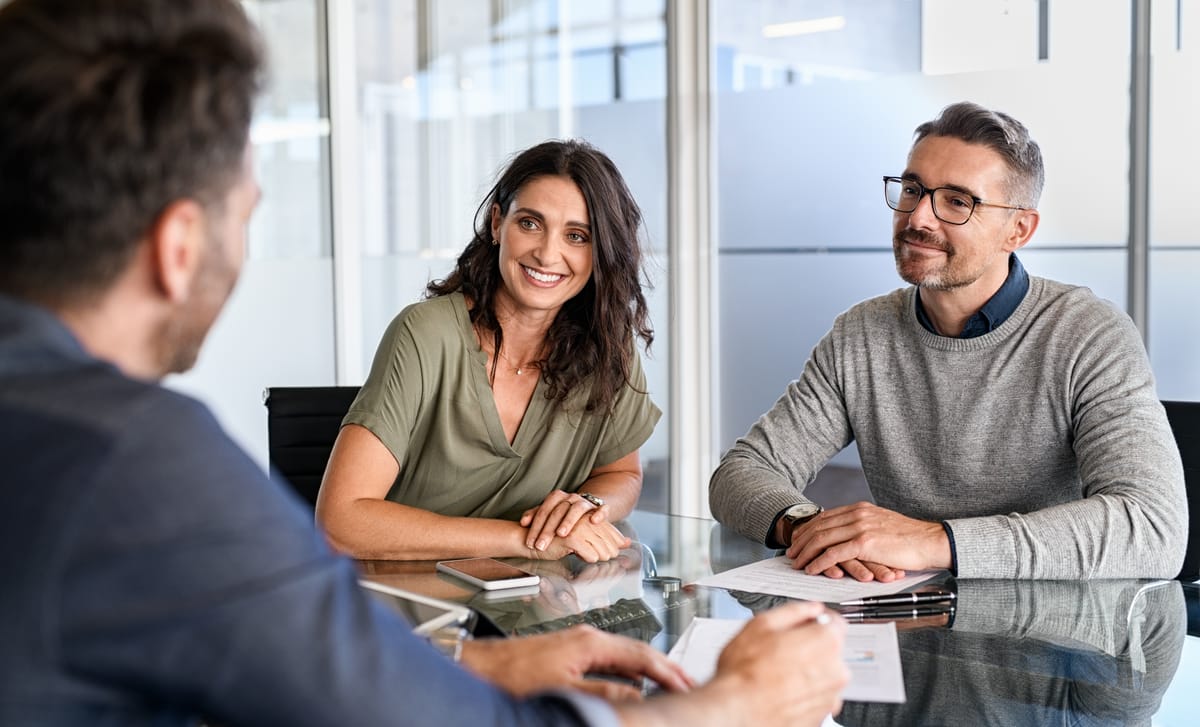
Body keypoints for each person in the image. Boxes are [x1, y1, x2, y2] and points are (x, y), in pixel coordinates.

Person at [0, 1, 850, 725]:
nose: (549, 250)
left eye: (578, 235)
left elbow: (323, 682)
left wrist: (484, 665)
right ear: (179, 245)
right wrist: (728, 703)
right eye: (248, 206)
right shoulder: (139, 467)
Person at [709, 101, 1188, 582]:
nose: (918, 218)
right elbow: (741, 473)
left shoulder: (1088, 335)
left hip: (1057, 637)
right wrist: (809, 527)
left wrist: (934, 540)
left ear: (1017, 229)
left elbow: (1151, 528)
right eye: (913, 189)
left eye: (958, 201)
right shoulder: (860, 334)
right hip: (904, 622)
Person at [317, 140, 659, 563]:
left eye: (576, 236)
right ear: (497, 224)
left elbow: (620, 472)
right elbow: (340, 521)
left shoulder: (609, 345)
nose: (548, 253)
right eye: (530, 224)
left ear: (600, 251)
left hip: (533, 609)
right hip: (406, 606)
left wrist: (587, 506)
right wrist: (523, 541)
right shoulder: (425, 334)